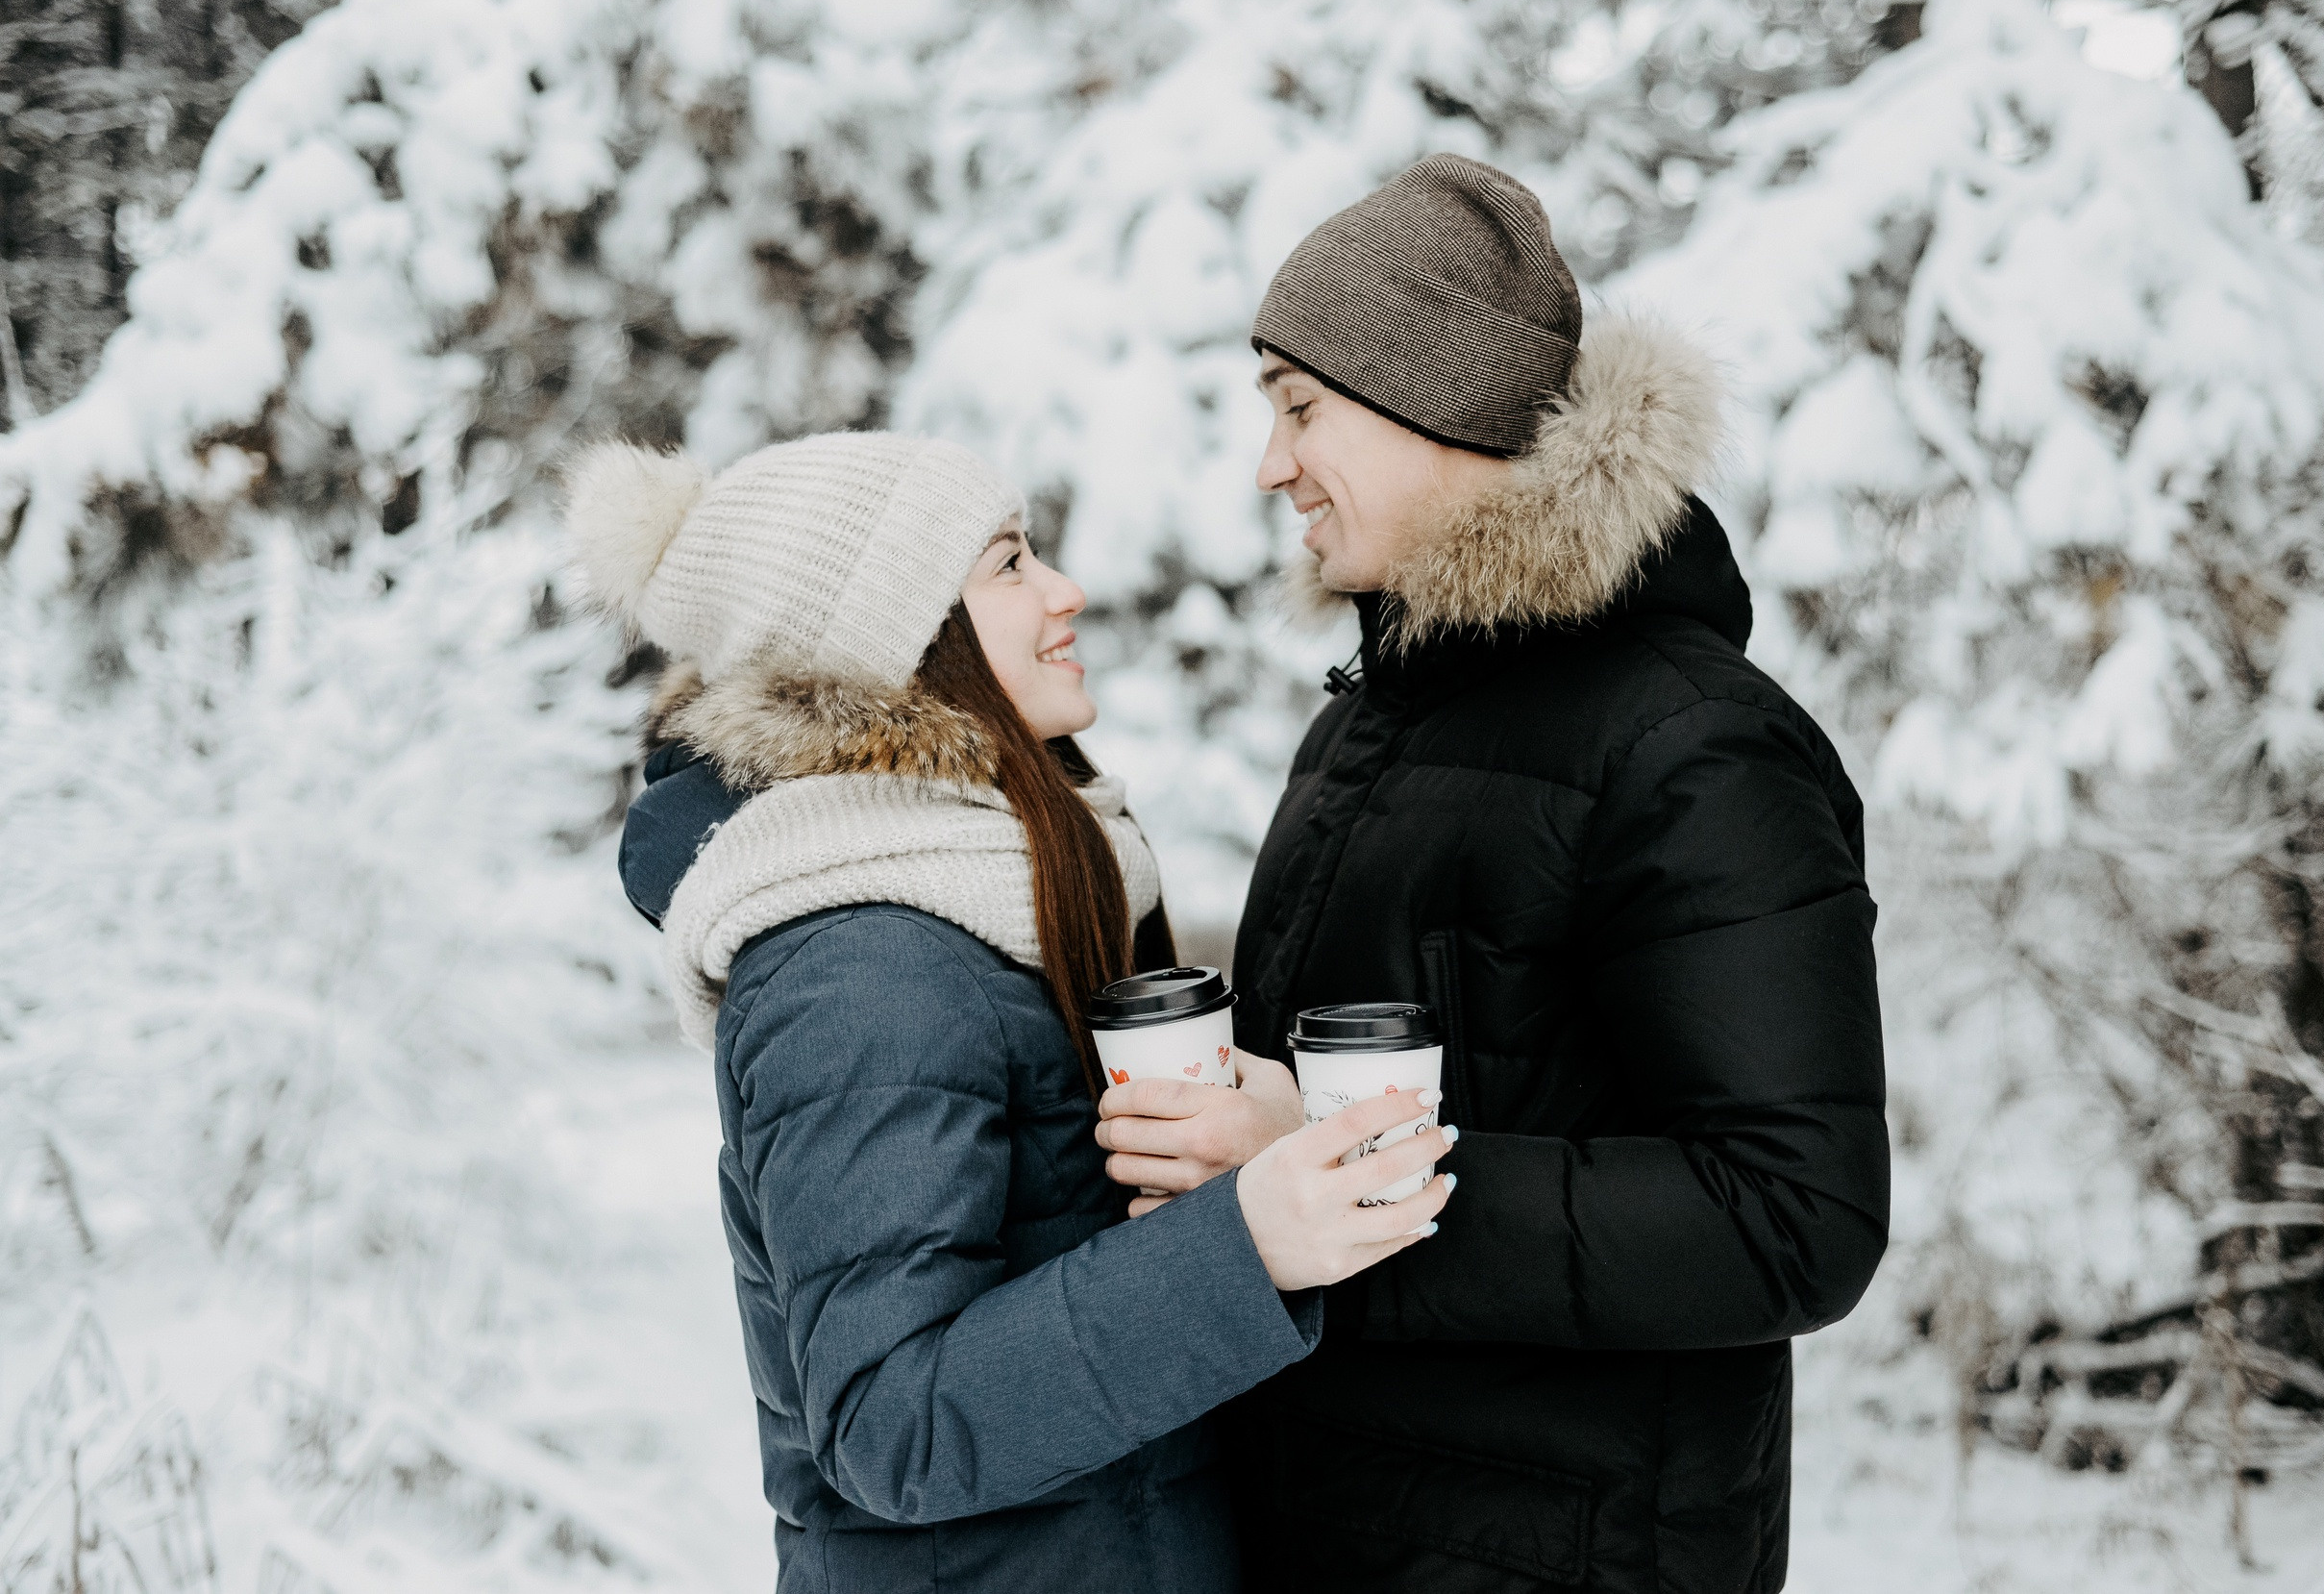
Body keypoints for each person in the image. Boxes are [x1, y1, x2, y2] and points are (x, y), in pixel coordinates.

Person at [1093, 155, 1891, 1593]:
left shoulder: (1693, 744)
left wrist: (1328, 1163)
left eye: (1300, 408)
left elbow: (1794, 1218)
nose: (1271, 465)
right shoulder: (1368, 725)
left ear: (1435, 403)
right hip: (1344, 1525)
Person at [562, 432, 1457, 1594]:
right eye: (1009, 563)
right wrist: (1244, 1244)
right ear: (893, 633)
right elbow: (893, 1420)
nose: (1063, 589)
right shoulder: (858, 964)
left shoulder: (990, 895)